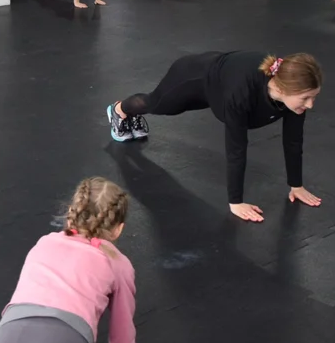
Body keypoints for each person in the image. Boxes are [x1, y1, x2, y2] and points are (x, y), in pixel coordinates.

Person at [105, 52, 323, 222]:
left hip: (221, 85)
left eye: (314, 97)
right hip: (195, 76)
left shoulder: (293, 98)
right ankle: (119, 110)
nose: (310, 104)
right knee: (156, 104)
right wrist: (235, 202)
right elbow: (236, 148)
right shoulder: (242, 93)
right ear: (284, 89)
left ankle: (124, 113)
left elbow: (293, 140)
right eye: (306, 98)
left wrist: (297, 186)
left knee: (165, 105)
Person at [0, 177, 135, 343]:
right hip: (64, 337)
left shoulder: (45, 242)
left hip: (11, 331)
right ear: (118, 229)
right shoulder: (117, 262)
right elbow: (122, 334)